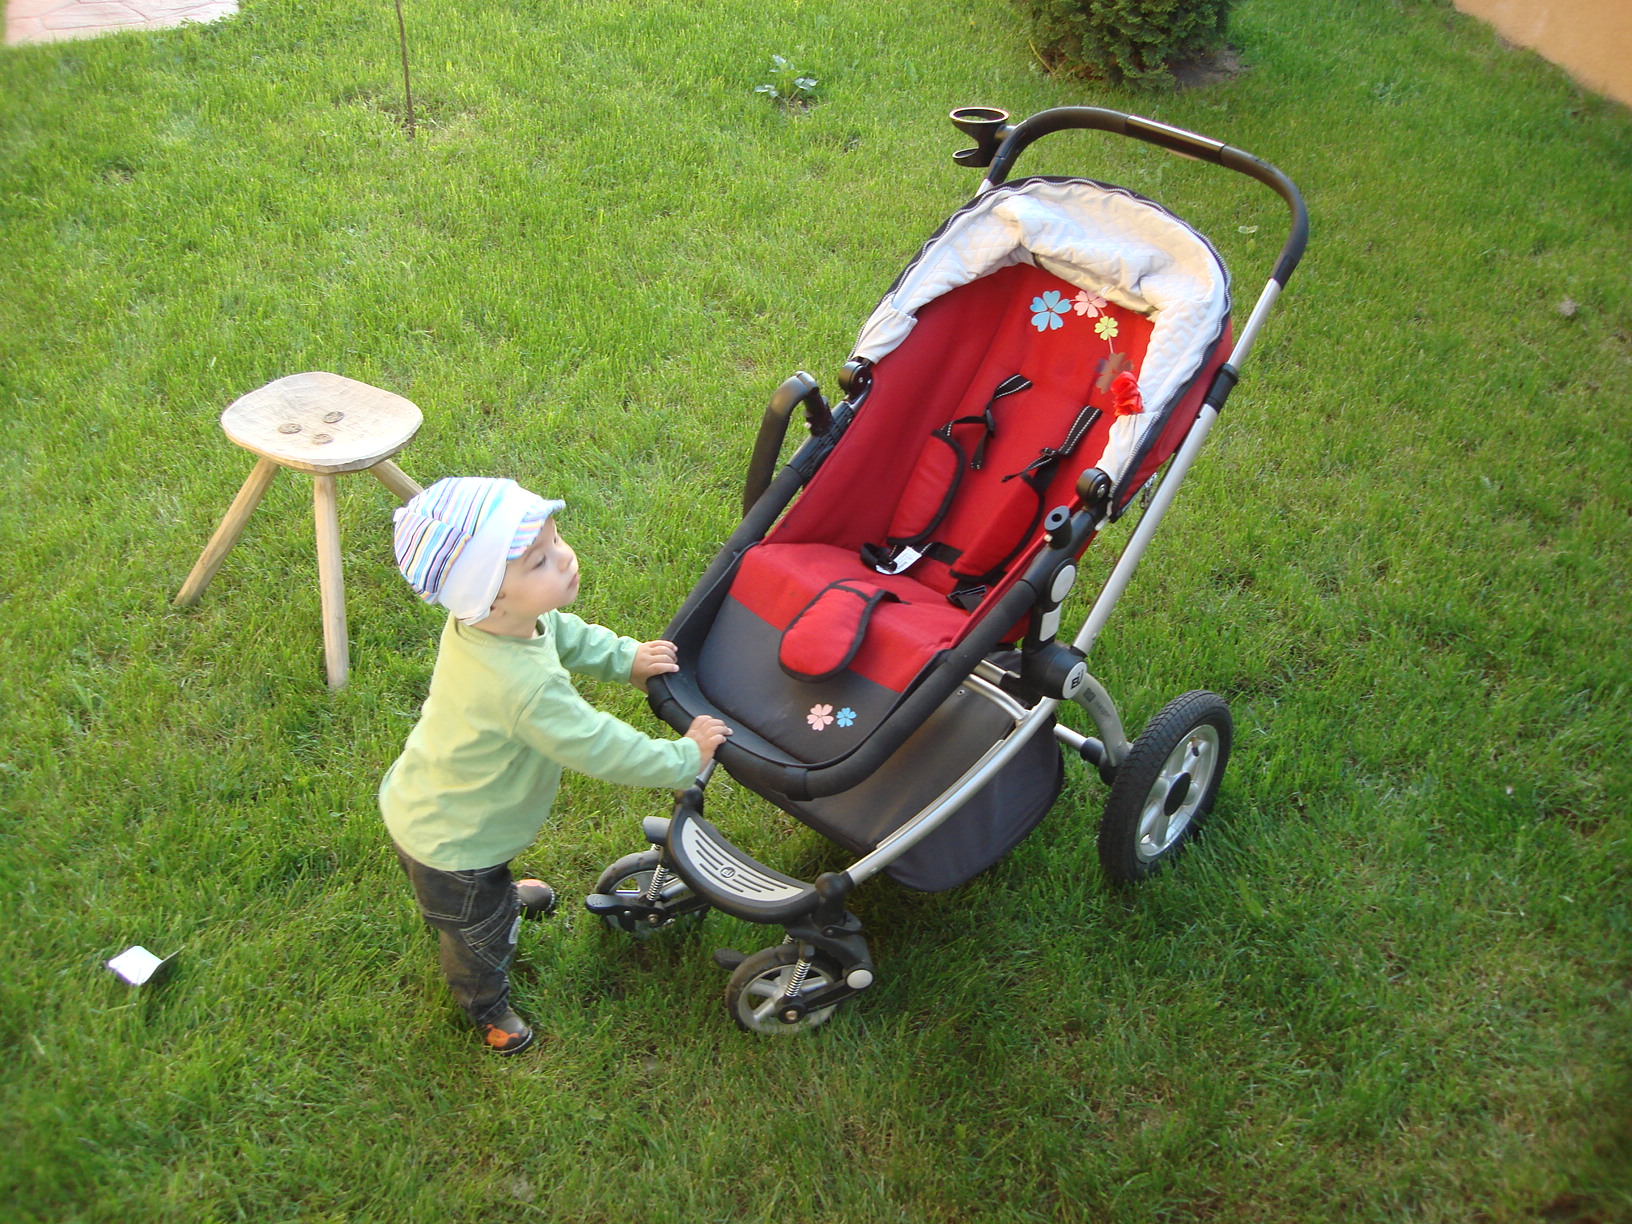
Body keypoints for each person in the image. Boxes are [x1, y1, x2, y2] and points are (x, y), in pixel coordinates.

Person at [380, 476, 729, 1054]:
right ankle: (485, 1004)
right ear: (490, 597)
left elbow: (561, 635)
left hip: (438, 804)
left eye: (555, 539)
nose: (564, 557)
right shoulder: (523, 687)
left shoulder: (494, 625)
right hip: (455, 842)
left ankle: (497, 899)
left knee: (479, 900)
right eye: (539, 560)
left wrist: (625, 658)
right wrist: (680, 758)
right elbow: (594, 743)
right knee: (476, 936)